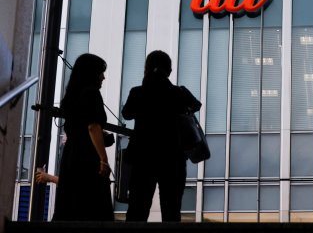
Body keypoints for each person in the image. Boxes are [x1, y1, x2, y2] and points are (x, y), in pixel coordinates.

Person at [122, 50, 201, 222]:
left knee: (138, 207)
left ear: (147, 69)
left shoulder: (137, 92)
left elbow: (126, 114)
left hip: (143, 156)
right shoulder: (179, 93)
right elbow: (196, 105)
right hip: (173, 157)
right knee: (172, 208)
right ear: (169, 70)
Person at [52, 53, 114, 221]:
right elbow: (93, 127)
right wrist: (103, 159)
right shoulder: (92, 94)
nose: (103, 77)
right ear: (92, 73)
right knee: (93, 205)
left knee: (71, 202)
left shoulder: (72, 96)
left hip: (72, 154)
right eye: (101, 72)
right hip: (88, 156)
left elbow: (80, 126)